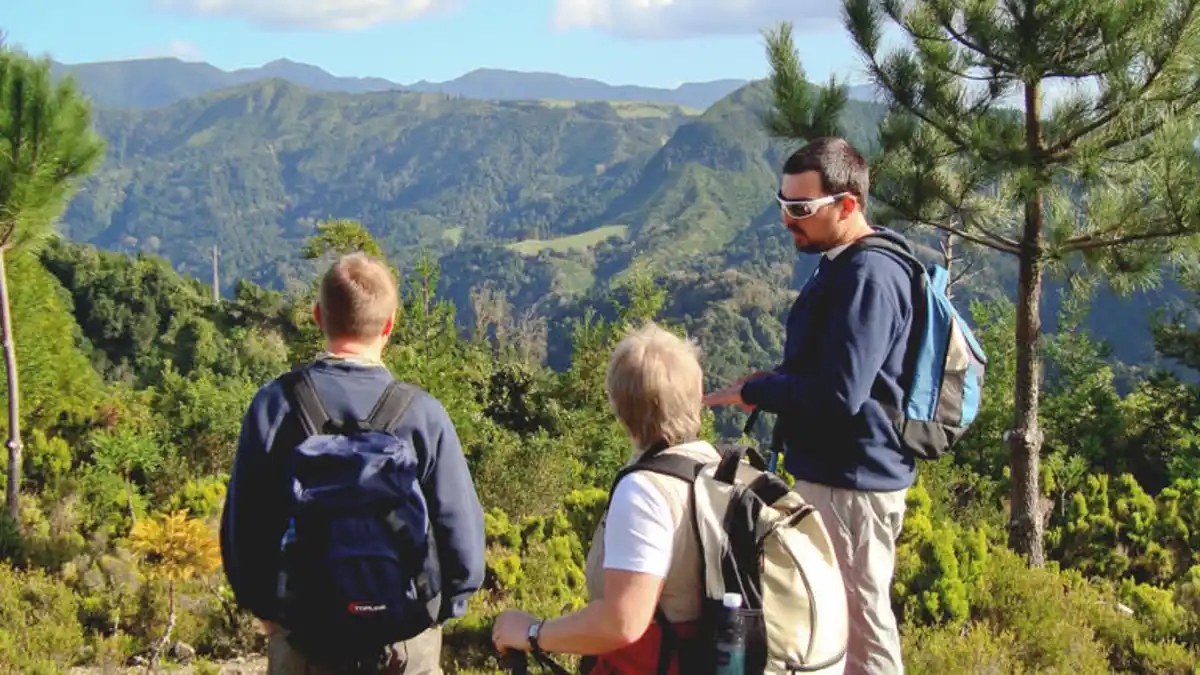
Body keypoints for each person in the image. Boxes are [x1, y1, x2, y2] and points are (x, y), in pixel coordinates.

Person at [704, 136, 915, 674]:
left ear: (847, 205)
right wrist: (771, 382)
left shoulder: (869, 275)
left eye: (801, 209)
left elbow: (839, 395)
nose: (787, 220)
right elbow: (831, 371)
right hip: (841, 474)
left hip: (854, 482)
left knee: (861, 625)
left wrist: (757, 392)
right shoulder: (844, 261)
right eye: (782, 205)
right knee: (838, 616)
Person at [220, 252, 486, 675]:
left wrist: (269, 612)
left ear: (317, 316)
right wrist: (441, 610)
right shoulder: (422, 413)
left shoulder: (274, 405)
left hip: (304, 639)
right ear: (390, 325)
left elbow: (244, 529)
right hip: (406, 641)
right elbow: (463, 540)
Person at [491, 322, 719, 674]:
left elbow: (622, 621)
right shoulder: (720, 473)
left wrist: (533, 632)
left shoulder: (646, 491)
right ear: (699, 395)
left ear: (620, 410)